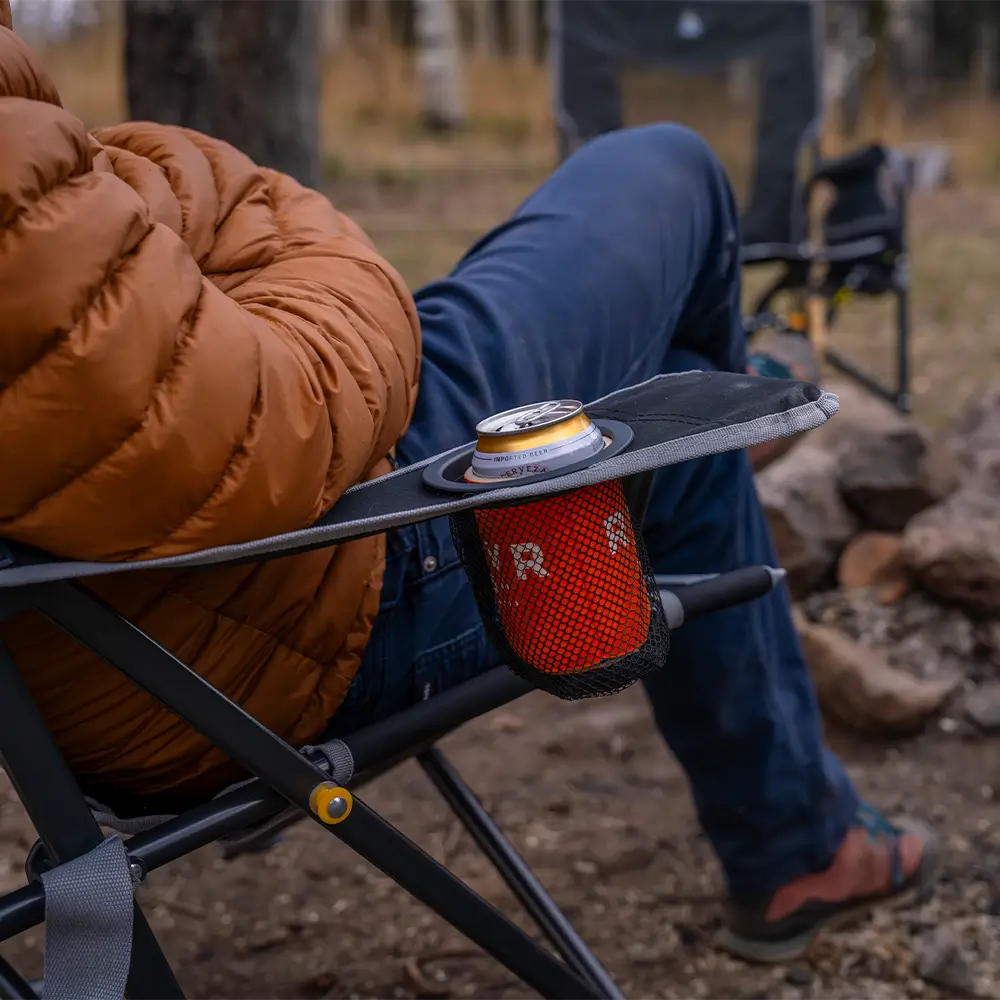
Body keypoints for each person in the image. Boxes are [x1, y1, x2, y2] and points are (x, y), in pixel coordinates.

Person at [0, 5, 936, 964]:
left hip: (121, 655)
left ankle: (795, 819)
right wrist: (285, 239)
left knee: (674, 420)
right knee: (670, 170)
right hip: (316, 591)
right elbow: (280, 406)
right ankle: (797, 837)